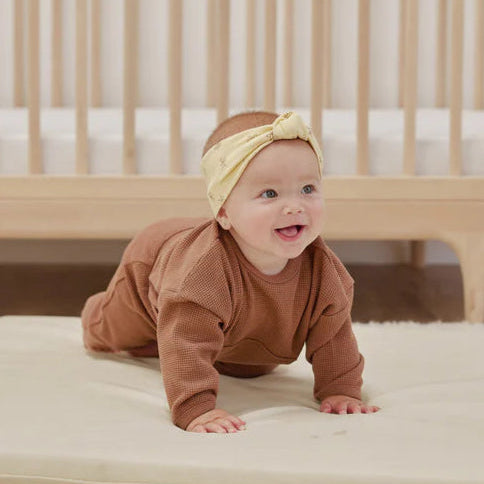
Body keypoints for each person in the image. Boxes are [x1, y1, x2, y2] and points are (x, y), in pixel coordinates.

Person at [81, 111, 380, 434]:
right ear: (224, 211)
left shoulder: (324, 271)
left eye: (308, 188)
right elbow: (187, 343)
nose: (295, 206)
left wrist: (341, 390)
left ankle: (173, 338)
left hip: (240, 329)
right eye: (270, 194)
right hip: (152, 267)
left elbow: (334, 336)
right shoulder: (198, 277)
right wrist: (195, 408)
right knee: (114, 333)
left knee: (252, 366)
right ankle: (102, 315)